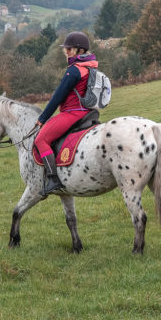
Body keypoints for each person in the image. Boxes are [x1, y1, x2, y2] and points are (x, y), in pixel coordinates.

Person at [34, 31, 99, 197]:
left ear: (80, 50)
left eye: (70, 49)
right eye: (66, 49)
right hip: (87, 111)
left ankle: (54, 179)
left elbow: (57, 97)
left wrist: (42, 119)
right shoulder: (90, 65)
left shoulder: (74, 70)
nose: (67, 52)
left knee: (41, 139)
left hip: (72, 112)